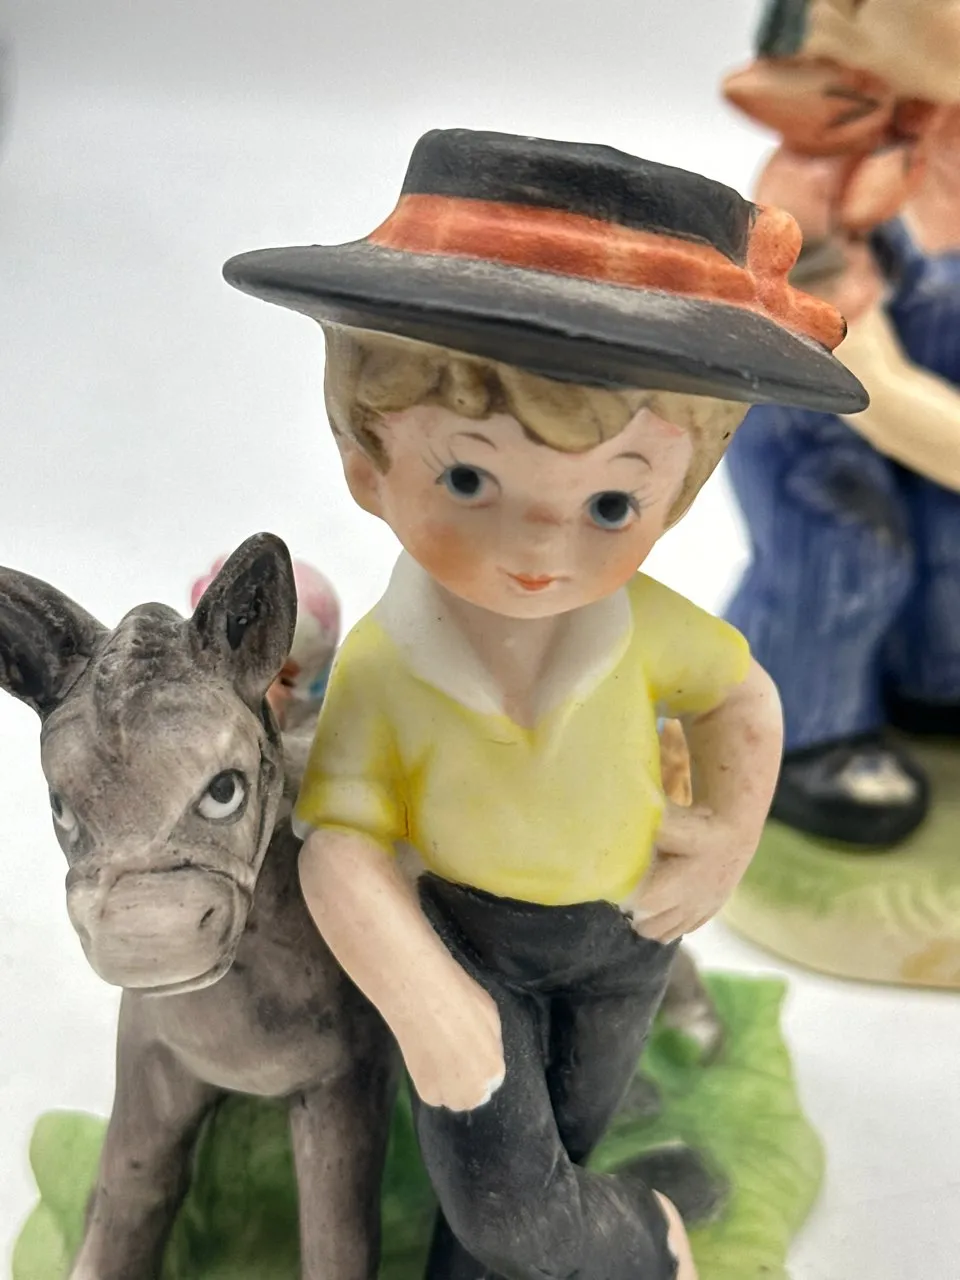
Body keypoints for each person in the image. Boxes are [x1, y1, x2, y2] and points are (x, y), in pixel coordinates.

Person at [223, 128, 864, 1280]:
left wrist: (723, 841)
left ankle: (557, 1228)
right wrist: (422, 988)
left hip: (624, 935)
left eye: (612, 503)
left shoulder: (646, 628)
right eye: (469, 476)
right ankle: (650, 1235)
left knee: (549, 1157)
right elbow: (341, 846)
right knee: (507, 1199)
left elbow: (742, 698)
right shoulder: (388, 661)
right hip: (475, 942)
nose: (539, 551)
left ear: (677, 495)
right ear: (369, 464)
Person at [723, 0, 960, 846]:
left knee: (950, 543)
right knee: (850, 550)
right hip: (819, 410)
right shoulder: (816, 182)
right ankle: (805, 730)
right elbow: (871, 379)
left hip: (939, 414)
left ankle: (933, 682)